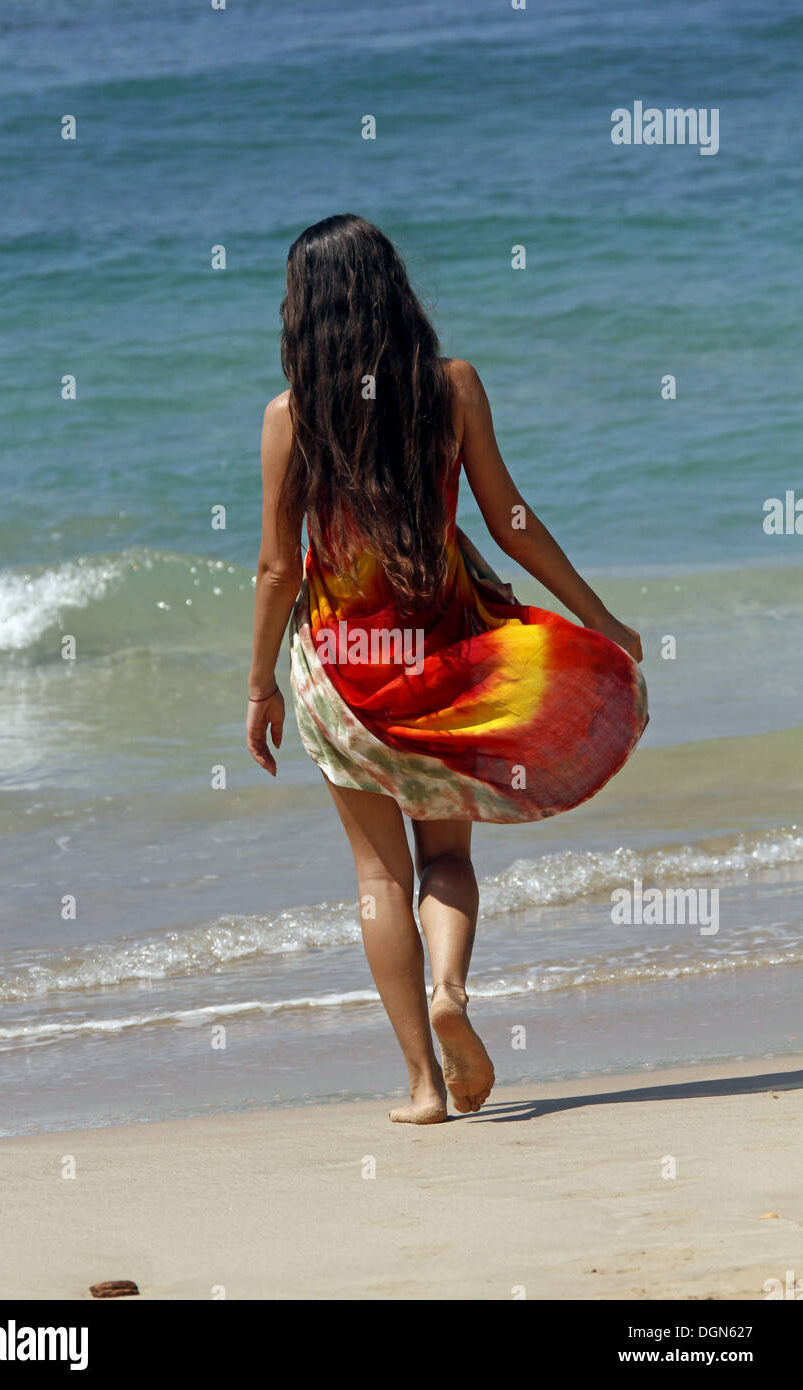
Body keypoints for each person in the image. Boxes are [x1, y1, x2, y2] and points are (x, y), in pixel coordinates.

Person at [247, 214, 648, 1125]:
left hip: (347, 676)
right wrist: (599, 620)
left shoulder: (290, 419)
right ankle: (454, 992)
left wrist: (260, 683)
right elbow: (508, 519)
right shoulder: (451, 389)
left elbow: (277, 568)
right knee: (447, 862)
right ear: (392, 291)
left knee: (378, 879)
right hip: (448, 659)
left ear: (305, 313)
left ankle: (426, 1087)